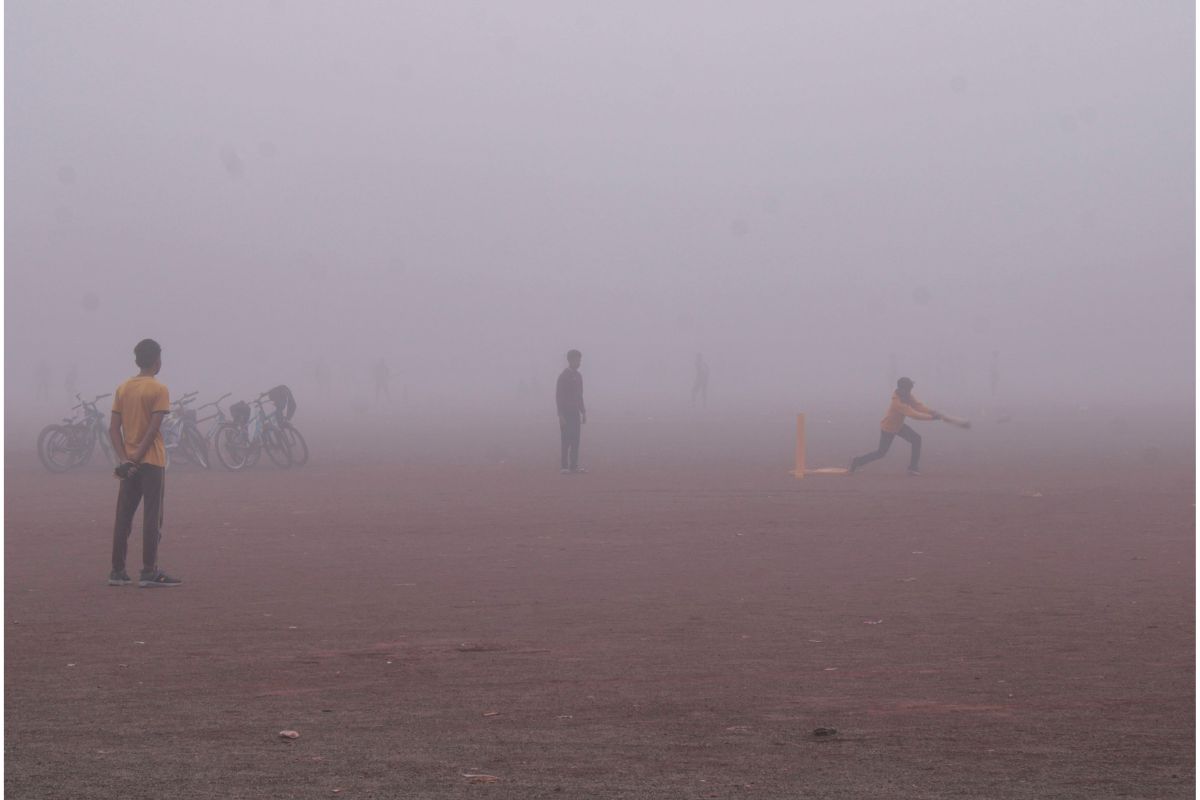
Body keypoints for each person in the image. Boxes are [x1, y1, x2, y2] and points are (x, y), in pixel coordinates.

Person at [108, 339, 181, 587]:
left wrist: (125, 460)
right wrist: (137, 458)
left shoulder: (123, 388)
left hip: (128, 464)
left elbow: (113, 429)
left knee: (123, 517)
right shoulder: (159, 389)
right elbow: (153, 429)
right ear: (157, 361)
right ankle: (149, 570)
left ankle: (117, 571)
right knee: (152, 516)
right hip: (151, 461)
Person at [849, 377, 941, 477]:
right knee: (881, 453)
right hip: (888, 428)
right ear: (903, 388)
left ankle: (913, 467)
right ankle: (857, 461)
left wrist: (931, 412)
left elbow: (917, 406)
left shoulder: (907, 395)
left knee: (916, 439)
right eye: (909, 388)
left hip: (899, 426)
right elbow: (913, 414)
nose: (910, 390)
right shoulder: (897, 403)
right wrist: (931, 418)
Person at [556, 350, 586, 474]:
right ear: (570, 360)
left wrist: (583, 411)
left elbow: (580, 395)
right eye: (577, 360)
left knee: (575, 439)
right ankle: (564, 466)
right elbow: (559, 396)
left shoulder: (579, 376)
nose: (579, 363)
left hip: (575, 412)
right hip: (566, 413)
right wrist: (560, 415)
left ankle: (574, 465)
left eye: (580, 360)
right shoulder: (564, 376)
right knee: (566, 439)